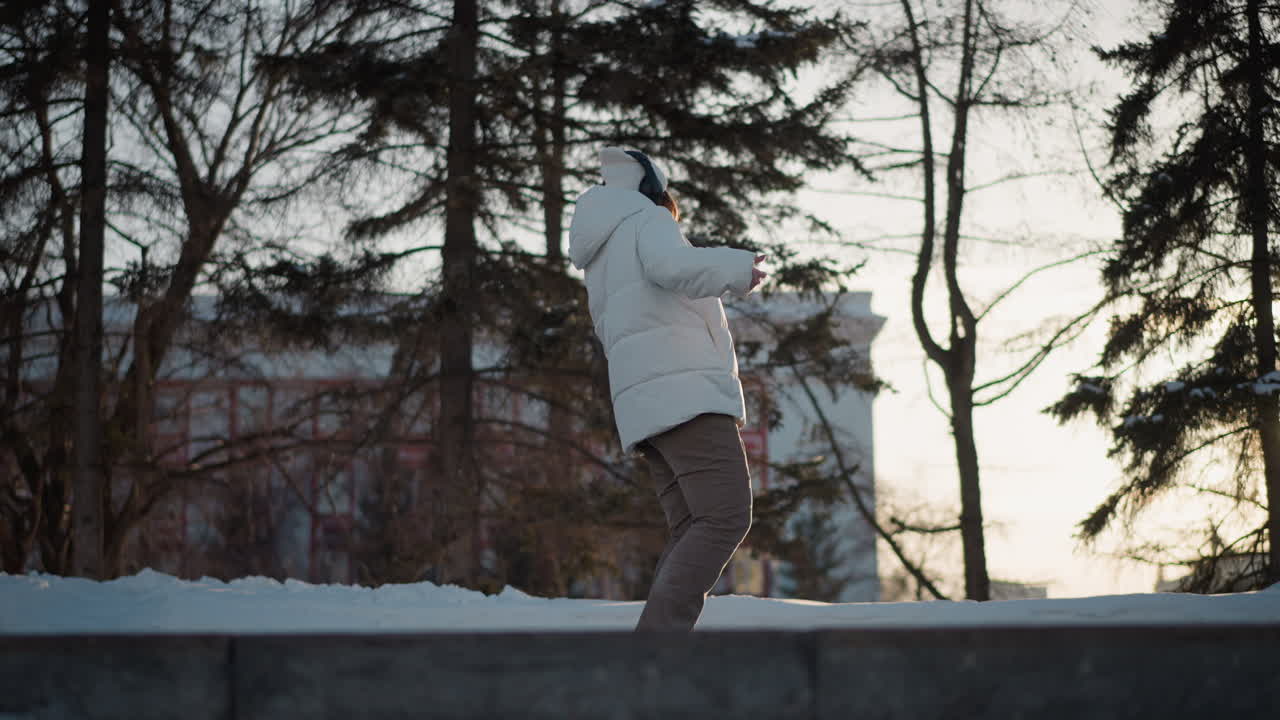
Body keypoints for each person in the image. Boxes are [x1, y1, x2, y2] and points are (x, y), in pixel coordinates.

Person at [568, 146, 767, 631]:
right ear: (653, 188)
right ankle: (655, 649)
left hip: (644, 405)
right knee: (726, 516)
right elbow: (674, 268)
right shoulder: (646, 219)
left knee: (691, 527)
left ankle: (658, 657)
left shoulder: (602, 249)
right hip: (685, 393)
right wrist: (739, 268)